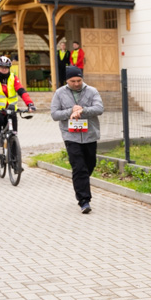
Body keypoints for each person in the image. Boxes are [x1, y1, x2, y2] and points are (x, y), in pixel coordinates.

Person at [50, 66, 105, 213]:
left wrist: (83, 110)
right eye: (73, 81)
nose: (76, 83)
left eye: (79, 80)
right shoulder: (60, 93)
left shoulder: (92, 91)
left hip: (90, 134)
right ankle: (84, 200)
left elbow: (99, 108)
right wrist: (70, 112)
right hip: (71, 135)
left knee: (89, 164)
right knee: (79, 167)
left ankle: (81, 183)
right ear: (67, 80)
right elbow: (55, 114)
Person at [0, 56, 35, 153]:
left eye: (6, 68)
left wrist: (30, 104)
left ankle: (15, 159)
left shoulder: (13, 77)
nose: (4, 69)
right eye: (2, 67)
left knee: (14, 131)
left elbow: (22, 91)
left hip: (10, 109)